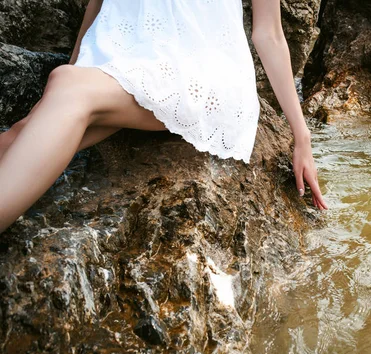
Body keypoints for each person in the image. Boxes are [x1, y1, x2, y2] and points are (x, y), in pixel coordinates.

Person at [0, 0, 328, 233]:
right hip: (119, 61)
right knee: (20, 132)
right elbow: (96, 5)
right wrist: (68, 75)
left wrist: (302, 136)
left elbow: (268, 34)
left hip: (198, 75)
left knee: (69, 88)